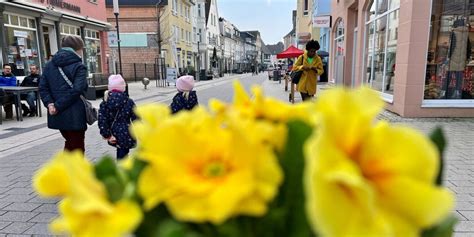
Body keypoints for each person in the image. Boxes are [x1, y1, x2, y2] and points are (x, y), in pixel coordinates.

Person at [40, 35, 88, 153]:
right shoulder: (79, 66)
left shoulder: (49, 65)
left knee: (70, 142)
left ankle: (65, 168)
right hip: (74, 112)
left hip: (57, 113)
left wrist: (50, 104)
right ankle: (75, 170)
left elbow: (43, 87)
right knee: (77, 146)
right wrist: (57, 106)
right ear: (78, 49)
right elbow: (78, 89)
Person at [98, 75, 137, 159]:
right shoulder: (129, 101)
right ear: (123, 87)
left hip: (113, 132)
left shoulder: (105, 102)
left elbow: (102, 120)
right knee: (123, 152)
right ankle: (123, 168)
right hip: (126, 132)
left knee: (121, 152)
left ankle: (121, 167)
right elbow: (136, 118)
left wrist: (107, 135)